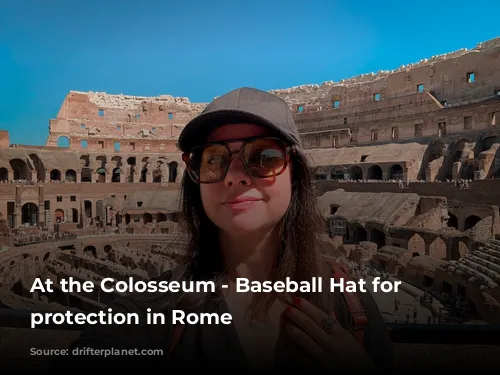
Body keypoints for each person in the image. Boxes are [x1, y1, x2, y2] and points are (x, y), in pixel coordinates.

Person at [51, 87, 393, 373]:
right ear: (196, 181)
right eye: (213, 158)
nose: (235, 175)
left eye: (264, 156)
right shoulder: (148, 313)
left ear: (297, 175)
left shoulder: (353, 303)